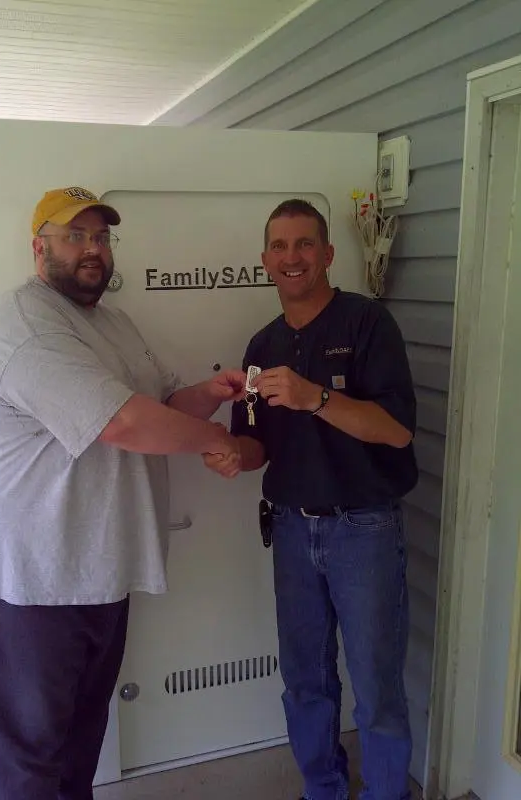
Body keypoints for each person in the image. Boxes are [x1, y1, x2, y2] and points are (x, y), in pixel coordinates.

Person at [0, 186, 244, 800]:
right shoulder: (22, 324)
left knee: (77, 752)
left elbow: (160, 405)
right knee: (25, 768)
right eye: (75, 236)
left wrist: (209, 394)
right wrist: (218, 442)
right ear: (39, 249)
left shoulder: (113, 322)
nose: (93, 249)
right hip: (25, 586)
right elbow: (122, 423)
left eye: (102, 237)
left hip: (95, 574)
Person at [205, 198, 418, 800]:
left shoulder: (367, 323)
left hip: (364, 530)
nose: (291, 256)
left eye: (304, 244)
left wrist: (315, 398)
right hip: (293, 531)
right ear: (265, 260)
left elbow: (397, 431)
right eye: (279, 246)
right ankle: (322, 790)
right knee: (304, 681)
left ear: (326, 254)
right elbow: (256, 445)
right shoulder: (262, 345)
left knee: (376, 687)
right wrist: (231, 453)